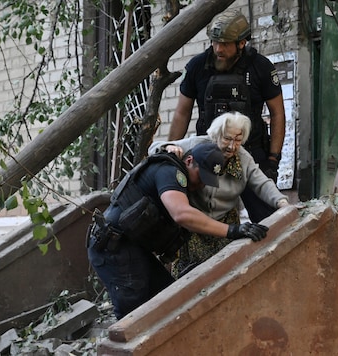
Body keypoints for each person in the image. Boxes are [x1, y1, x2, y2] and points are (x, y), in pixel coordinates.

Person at [87, 142, 269, 319]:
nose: (202, 185)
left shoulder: (180, 176)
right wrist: (233, 230)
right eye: (201, 176)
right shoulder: (170, 171)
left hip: (132, 247)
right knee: (134, 318)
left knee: (165, 302)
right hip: (113, 248)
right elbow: (181, 214)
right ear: (189, 161)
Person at [168, 9, 286, 223]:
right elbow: (181, 113)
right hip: (208, 156)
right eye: (214, 42)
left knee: (269, 221)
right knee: (206, 222)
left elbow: (278, 114)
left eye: (224, 43)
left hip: (251, 156)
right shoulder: (197, 66)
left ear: (241, 43)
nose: (218, 49)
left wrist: (273, 160)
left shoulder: (261, 67)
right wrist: (171, 151)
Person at [150, 112, 289, 278]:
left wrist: (282, 202)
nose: (232, 146)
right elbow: (154, 148)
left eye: (238, 140)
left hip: (226, 222)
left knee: (228, 273)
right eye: (227, 139)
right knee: (193, 276)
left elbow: (262, 183)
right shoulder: (198, 145)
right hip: (195, 224)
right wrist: (168, 148)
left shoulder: (243, 158)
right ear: (216, 135)